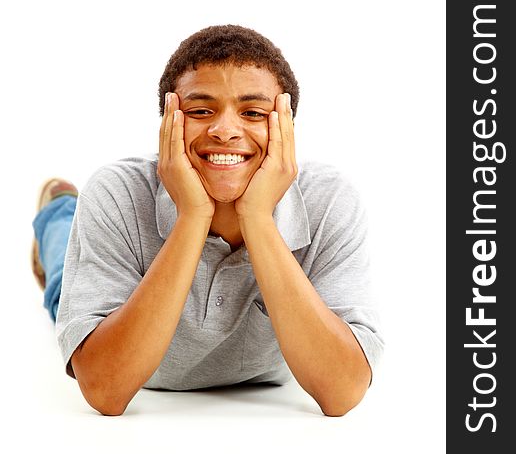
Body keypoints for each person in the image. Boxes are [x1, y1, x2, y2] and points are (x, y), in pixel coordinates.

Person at [31, 24, 384, 417]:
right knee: (64, 284)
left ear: (286, 127)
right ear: (168, 122)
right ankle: (60, 210)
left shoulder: (329, 201)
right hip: (123, 319)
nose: (225, 131)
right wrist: (193, 215)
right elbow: (104, 389)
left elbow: (342, 391)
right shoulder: (116, 192)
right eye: (200, 111)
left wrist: (257, 218)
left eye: (253, 112)